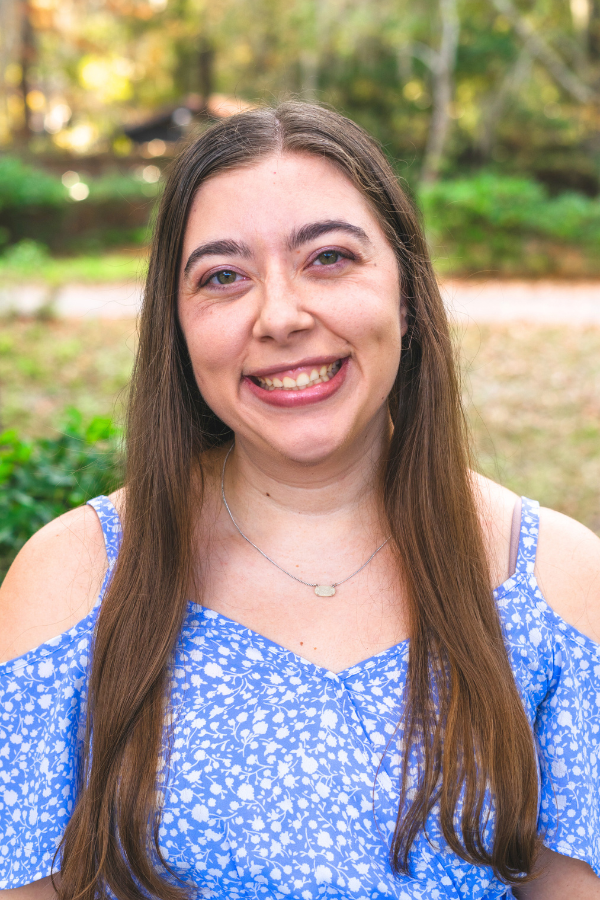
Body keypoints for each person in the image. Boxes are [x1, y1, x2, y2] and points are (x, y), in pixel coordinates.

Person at [1, 102, 599, 900]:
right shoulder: (73, 582)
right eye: (223, 277)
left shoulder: (556, 583)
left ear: (408, 293)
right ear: (177, 326)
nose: (280, 317)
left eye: (329, 258)